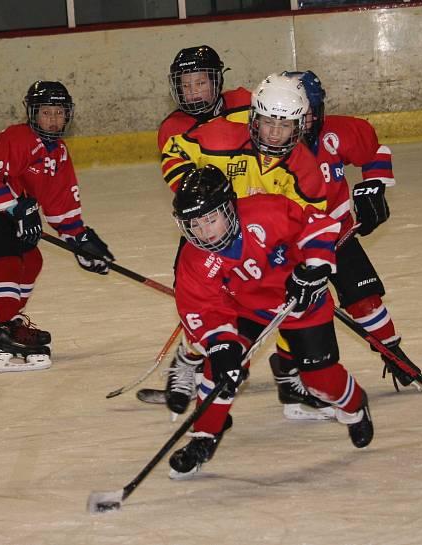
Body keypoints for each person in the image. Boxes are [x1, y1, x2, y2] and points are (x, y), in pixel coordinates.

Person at [167, 165, 374, 479]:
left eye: (211, 219)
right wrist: (221, 346)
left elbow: (315, 226)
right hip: (248, 308)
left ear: (228, 208)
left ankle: (355, 404)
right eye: (194, 224)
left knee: (320, 380)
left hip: (301, 301)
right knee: (219, 369)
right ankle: (205, 435)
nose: (204, 232)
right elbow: (202, 308)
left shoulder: (267, 211)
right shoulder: (194, 259)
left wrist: (314, 268)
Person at [154, 72, 332, 418]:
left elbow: (311, 222)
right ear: (255, 119)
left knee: (289, 305)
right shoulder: (222, 137)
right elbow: (175, 150)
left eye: (285, 124)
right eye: (268, 122)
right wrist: (197, 192)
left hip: (268, 242)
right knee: (207, 308)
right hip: (214, 235)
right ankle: (189, 358)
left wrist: (307, 265)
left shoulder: (304, 167)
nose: (275, 132)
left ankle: (288, 375)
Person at [273, 70, 422, 410]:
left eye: (312, 110)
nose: (307, 119)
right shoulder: (273, 146)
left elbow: (374, 151)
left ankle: (392, 352)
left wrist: (374, 185)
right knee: (297, 309)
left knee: (365, 297)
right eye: (300, 110)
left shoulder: (337, 133)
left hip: (339, 233)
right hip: (297, 247)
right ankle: (289, 369)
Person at [0, 81, 114, 372]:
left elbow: (61, 205)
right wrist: (16, 208)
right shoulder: (16, 137)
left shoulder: (60, 154)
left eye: (59, 112)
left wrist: (79, 241)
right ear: (32, 114)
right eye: (46, 113)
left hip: (16, 211)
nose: (53, 119)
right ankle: (5, 331)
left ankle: (10, 325)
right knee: (8, 261)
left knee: (32, 259)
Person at [138, 45, 252, 411]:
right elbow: (188, 190)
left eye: (200, 82)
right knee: (198, 300)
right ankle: (188, 362)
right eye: (185, 85)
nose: (192, 92)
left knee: (271, 293)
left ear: (216, 81)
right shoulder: (172, 129)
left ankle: (291, 370)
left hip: (259, 218)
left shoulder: (247, 103)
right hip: (211, 227)